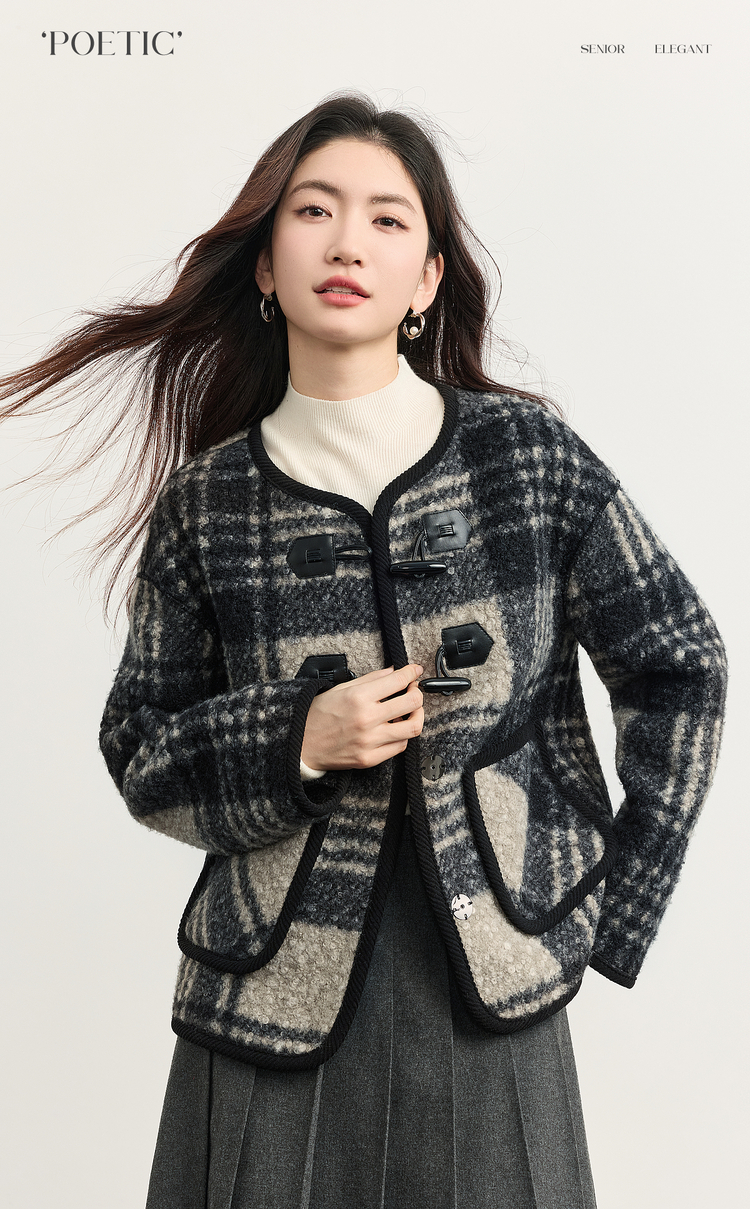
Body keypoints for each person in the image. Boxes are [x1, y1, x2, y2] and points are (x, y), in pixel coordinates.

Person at [0, 92, 727, 1209]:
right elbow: (141, 746)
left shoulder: (528, 459)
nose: (348, 243)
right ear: (265, 264)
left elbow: (681, 662)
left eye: (388, 220)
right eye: (315, 211)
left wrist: (611, 906)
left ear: (427, 280)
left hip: (495, 976)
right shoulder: (208, 504)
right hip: (268, 998)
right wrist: (295, 736)